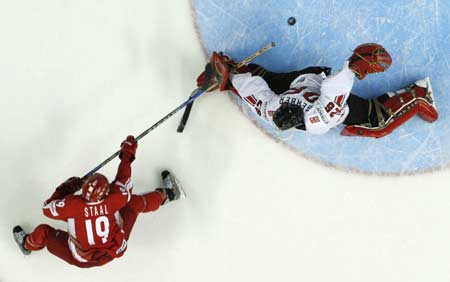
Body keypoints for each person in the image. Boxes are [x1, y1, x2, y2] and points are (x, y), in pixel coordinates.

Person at [13, 135, 184, 268]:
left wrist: (68, 187)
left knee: (44, 231)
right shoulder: (115, 198)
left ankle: (27, 244)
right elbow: (123, 178)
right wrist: (127, 154)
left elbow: (47, 208)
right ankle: (170, 193)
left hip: (80, 258)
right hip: (113, 251)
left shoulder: (72, 205)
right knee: (134, 204)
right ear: (107, 192)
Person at [199, 43, 438, 138]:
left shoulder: (314, 119)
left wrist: (352, 69)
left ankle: (419, 94)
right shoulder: (275, 109)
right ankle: (241, 68)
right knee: (268, 81)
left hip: (313, 85)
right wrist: (229, 74)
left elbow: (336, 91)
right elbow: (252, 88)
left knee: (377, 124)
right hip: (305, 79)